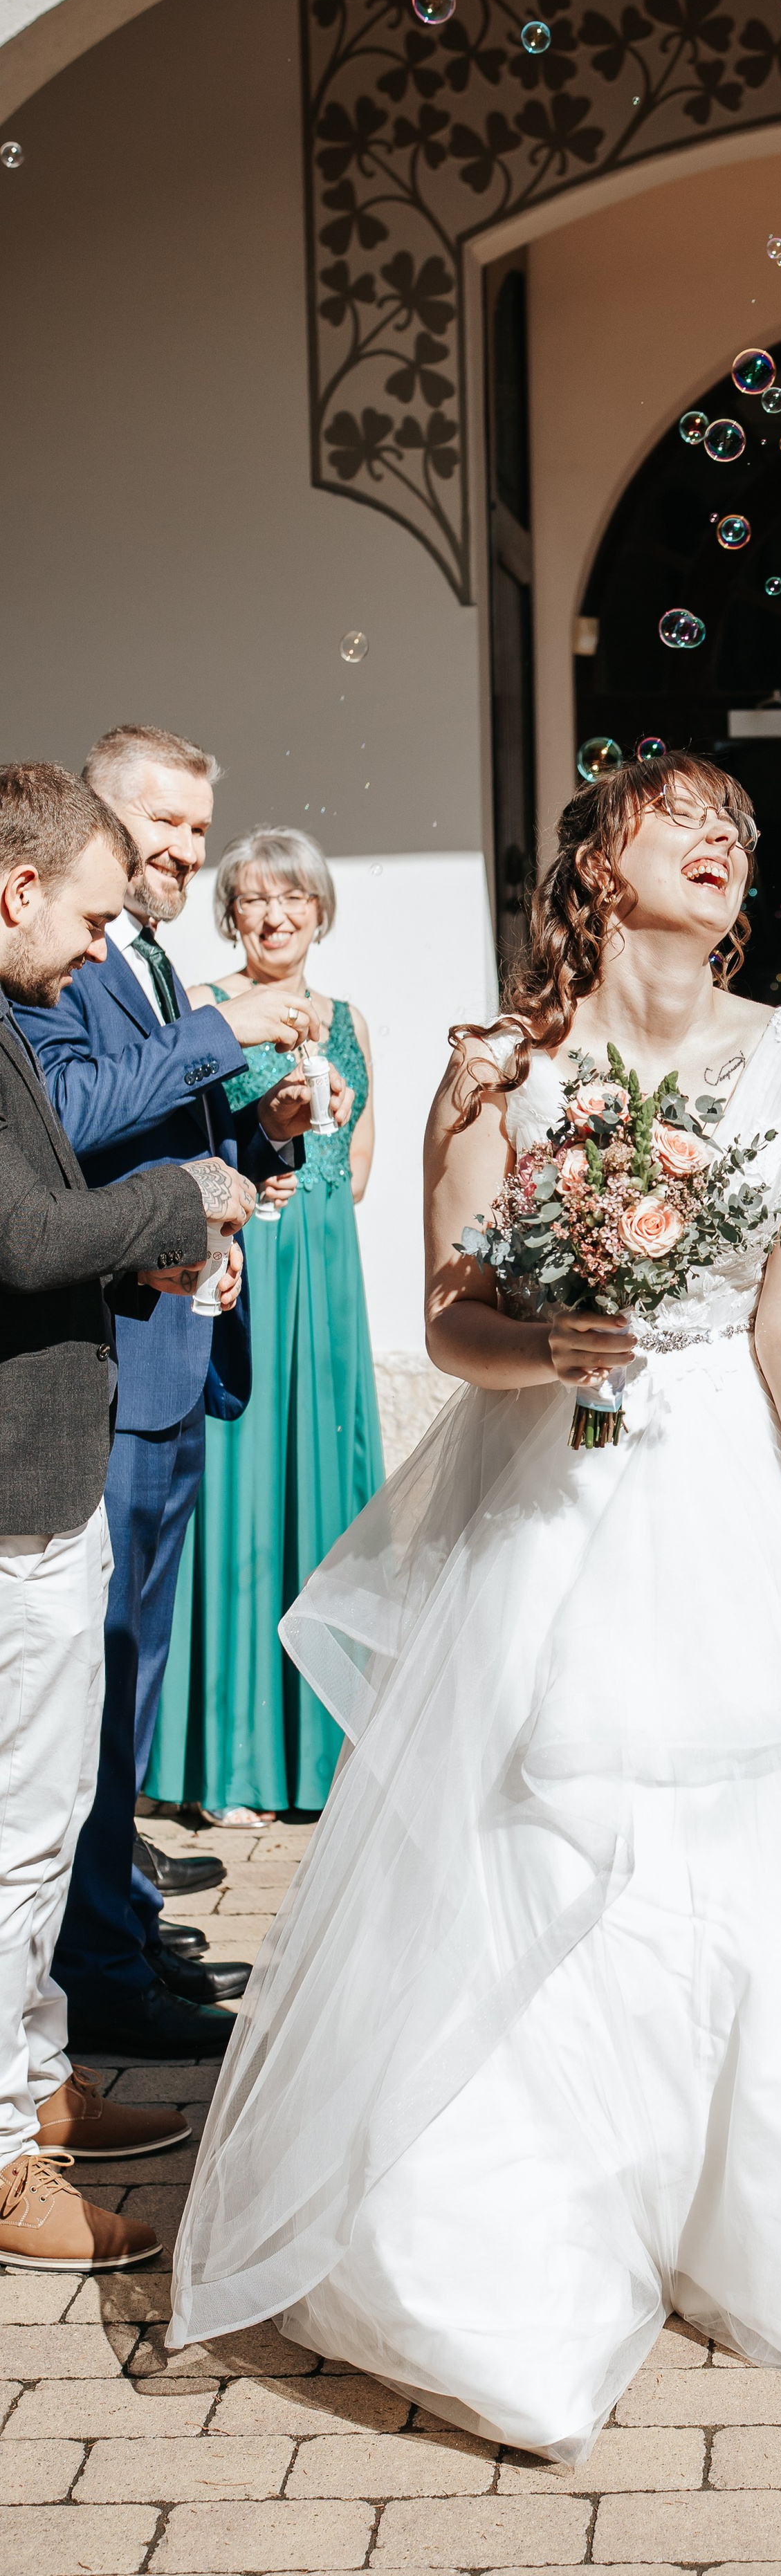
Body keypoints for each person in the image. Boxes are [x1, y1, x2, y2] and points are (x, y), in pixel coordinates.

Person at [169, 751, 781, 2455]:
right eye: (680, 815)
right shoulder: (499, 1064)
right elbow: (451, 1322)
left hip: (723, 1493)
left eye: (739, 828)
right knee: (547, 1838)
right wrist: (539, 1344)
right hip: (550, 1502)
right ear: (594, 859)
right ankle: (529, 2248)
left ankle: (767, 2224)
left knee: (767, 1852)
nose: (723, 840)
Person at [16, 726, 346, 2063]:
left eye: (202, 832)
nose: (189, 854)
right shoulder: (68, 966)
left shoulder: (134, 956)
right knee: (92, 1680)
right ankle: (93, 1964)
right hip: (111, 1353)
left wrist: (247, 1132)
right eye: (167, 827)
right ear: (95, 817)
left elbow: (155, 1122)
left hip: (174, 1342)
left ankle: (111, 1915)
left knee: (127, 1676)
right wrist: (223, 1031)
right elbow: (73, 1113)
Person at [0, 762, 257, 2268]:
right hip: (15, 1480)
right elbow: (17, 1231)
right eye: (89, 920)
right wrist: (183, 1205)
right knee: (19, 1834)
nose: (105, 951)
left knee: (38, 1820)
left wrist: (133, 1261)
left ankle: (34, 2085)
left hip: (49, 1459)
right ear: (21, 887)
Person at [151, 827, 383, 1827]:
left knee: (326, 1492)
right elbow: (185, 1145)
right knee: (240, 1500)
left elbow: (361, 1166)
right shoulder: (207, 1010)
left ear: (320, 911)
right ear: (230, 914)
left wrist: (323, 1130)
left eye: (292, 900)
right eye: (253, 900)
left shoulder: (349, 1018)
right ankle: (232, 1765)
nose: (275, 917)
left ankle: (324, 1755)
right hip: (251, 1261)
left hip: (328, 1274)